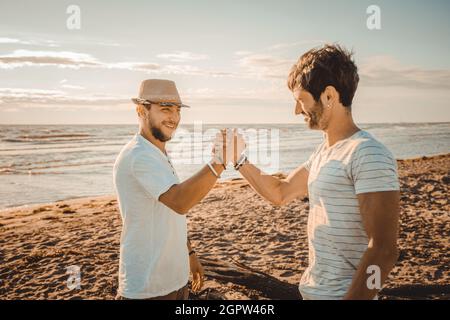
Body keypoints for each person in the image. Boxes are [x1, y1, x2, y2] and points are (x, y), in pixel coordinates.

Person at [231, 44, 400, 300]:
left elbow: (384, 250)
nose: (296, 110)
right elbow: (281, 192)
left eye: (301, 100)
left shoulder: (368, 154)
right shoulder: (324, 152)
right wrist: (238, 160)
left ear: (329, 96)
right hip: (311, 292)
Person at [113, 79, 228, 300]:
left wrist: (190, 254)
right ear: (141, 110)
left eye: (177, 110)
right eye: (165, 109)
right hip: (148, 287)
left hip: (175, 281)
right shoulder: (139, 155)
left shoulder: (157, 153)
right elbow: (180, 201)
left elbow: (171, 211)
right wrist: (220, 161)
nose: (174, 118)